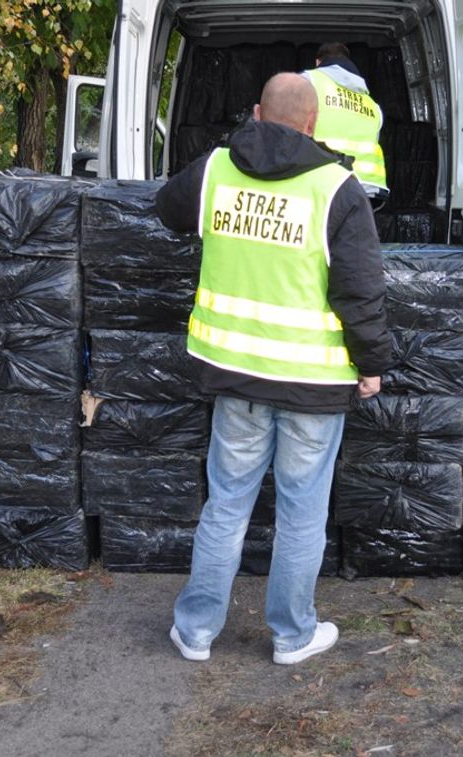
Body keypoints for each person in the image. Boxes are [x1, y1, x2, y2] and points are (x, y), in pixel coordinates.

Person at [155, 72, 391, 665]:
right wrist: (372, 364)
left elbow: (167, 211)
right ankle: (291, 636)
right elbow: (360, 292)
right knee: (302, 514)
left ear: (256, 113)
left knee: (226, 504)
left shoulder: (215, 170)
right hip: (313, 386)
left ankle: (196, 631)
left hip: (236, 377)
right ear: (313, 124)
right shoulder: (338, 189)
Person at [302, 42, 389, 200]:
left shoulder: (310, 80)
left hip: (324, 183)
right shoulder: (372, 105)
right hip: (368, 189)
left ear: (317, 62)